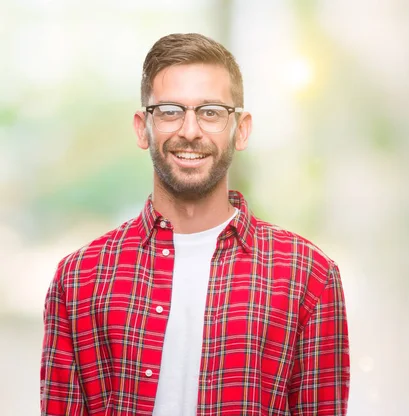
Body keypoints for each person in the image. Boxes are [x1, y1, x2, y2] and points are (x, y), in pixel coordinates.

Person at [40, 33, 350, 415]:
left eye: (211, 112)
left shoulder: (308, 277)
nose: (190, 130)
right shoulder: (78, 280)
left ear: (242, 129)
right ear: (142, 127)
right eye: (170, 111)